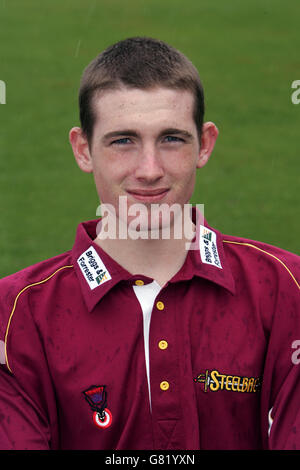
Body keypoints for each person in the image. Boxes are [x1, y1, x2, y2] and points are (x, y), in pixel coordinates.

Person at [0, 37, 299, 451]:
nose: (149, 169)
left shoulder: (287, 288)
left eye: (172, 139)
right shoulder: (15, 314)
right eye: (123, 141)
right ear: (83, 149)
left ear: (205, 144)